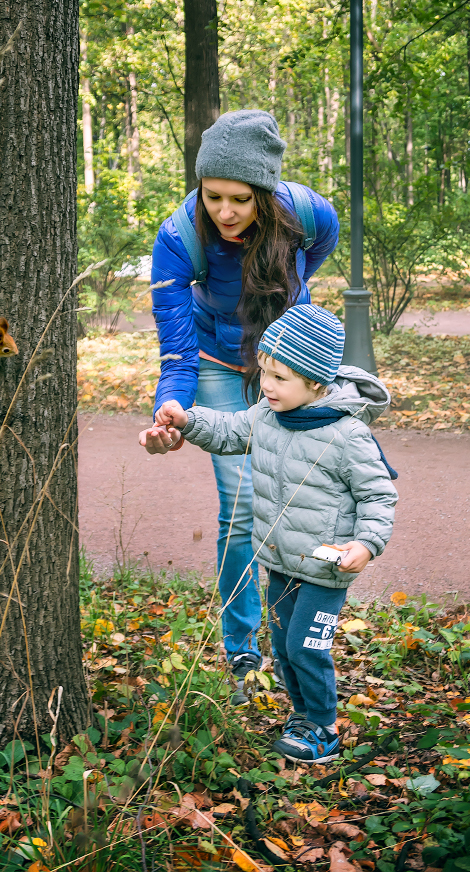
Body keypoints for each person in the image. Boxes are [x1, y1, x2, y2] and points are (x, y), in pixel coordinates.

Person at [140, 110, 339, 700]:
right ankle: (242, 651)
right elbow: (176, 355)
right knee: (243, 502)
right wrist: (169, 413)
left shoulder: (306, 213)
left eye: (239, 199)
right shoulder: (179, 239)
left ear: (265, 194)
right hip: (219, 367)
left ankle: (294, 640)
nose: (224, 212)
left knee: (296, 497)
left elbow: (315, 255)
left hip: (282, 365)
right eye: (212, 196)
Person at [147, 304, 398, 765]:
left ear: (316, 384)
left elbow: (379, 497)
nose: (266, 385)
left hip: (325, 564)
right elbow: (227, 432)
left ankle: (322, 727)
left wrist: (366, 544)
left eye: (280, 377)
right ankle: (300, 717)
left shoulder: (347, 435)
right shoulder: (267, 415)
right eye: (264, 372)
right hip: (279, 559)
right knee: (282, 647)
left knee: (306, 645)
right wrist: (187, 419)